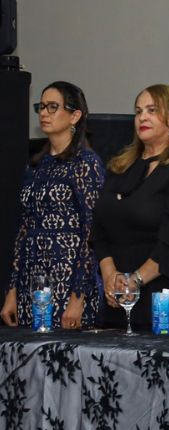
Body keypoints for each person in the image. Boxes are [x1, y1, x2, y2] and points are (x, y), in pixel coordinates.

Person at [92, 84, 169, 332]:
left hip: (163, 299)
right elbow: (99, 228)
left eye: (152, 110)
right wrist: (110, 275)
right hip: (116, 298)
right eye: (138, 111)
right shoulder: (120, 166)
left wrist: (134, 280)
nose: (142, 117)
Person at [1, 81, 104, 330]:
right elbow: (23, 230)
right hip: (31, 282)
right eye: (41, 106)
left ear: (75, 116)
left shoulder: (85, 163)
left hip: (68, 281)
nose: (44, 113)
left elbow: (92, 231)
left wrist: (78, 297)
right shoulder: (35, 166)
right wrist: (12, 290)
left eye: (53, 107)